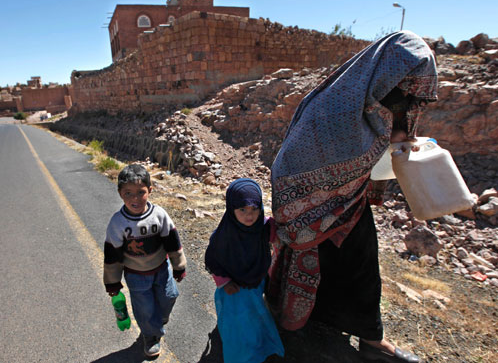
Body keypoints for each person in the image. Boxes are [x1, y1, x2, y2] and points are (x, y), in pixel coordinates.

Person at [267, 30, 438, 363]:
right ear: (390, 72)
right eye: (406, 86)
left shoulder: (388, 94)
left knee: (359, 263)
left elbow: (393, 132)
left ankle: (370, 338)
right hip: (306, 199)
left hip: (350, 197)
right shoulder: (335, 106)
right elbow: (338, 152)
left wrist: (404, 140)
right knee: (320, 258)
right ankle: (310, 322)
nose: (407, 96)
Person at [103, 164, 186, 358]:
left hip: (161, 269)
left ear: (150, 190)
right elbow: (112, 256)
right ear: (120, 193)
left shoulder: (159, 215)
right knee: (144, 308)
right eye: (128, 193)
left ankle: (159, 320)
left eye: (141, 192)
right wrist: (112, 282)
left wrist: (179, 266)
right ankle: (150, 336)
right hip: (135, 275)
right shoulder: (117, 223)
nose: (135, 199)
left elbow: (172, 241)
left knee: (170, 296)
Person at [204, 178, 285, 363]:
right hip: (233, 287)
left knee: (254, 313)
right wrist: (224, 282)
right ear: (231, 209)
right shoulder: (223, 235)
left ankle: (258, 343)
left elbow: (277, 236)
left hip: (256, 281)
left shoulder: (263, 226)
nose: (249, 215)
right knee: (236, 319)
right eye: (242, 210)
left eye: (254, 209)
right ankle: (241, 353)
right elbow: (213, 260)